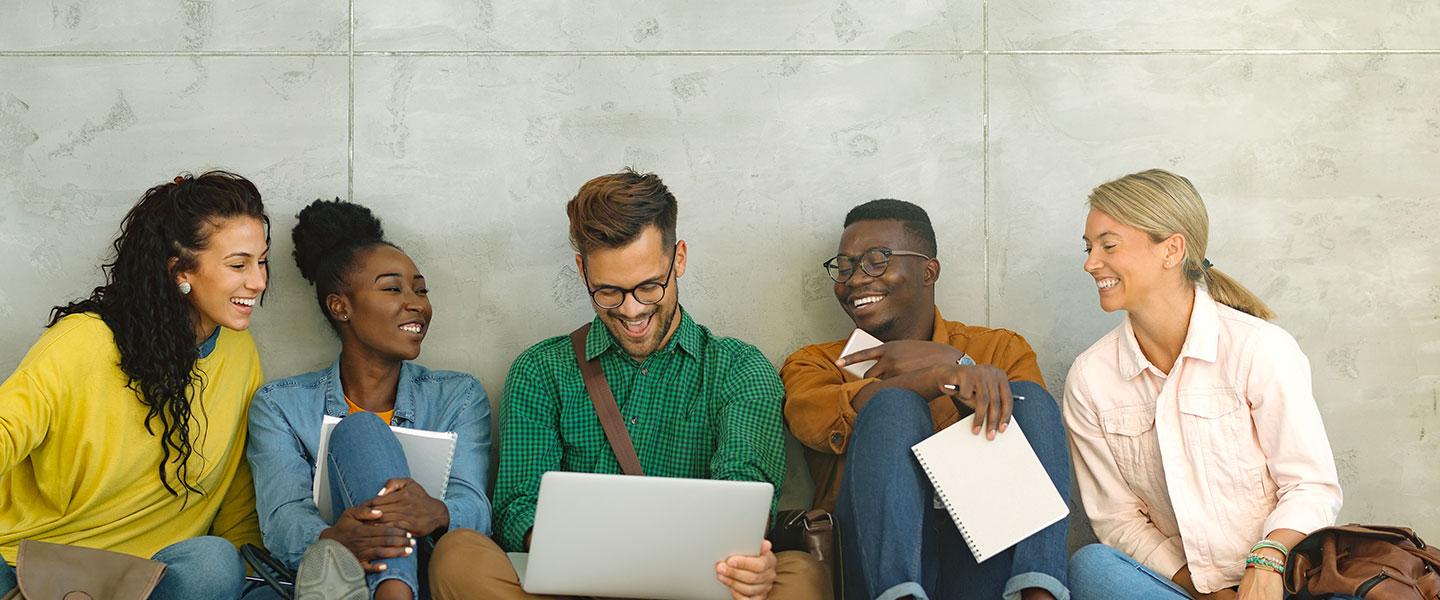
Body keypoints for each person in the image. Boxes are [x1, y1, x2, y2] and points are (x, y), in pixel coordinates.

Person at [428, 169, 827, 600]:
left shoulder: (739, 368)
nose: (632, 311)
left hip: (697, 586)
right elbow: (518, 506)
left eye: (649, 287)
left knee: (799, 575)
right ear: (582, 271)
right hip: (575, 586)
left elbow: (744, 494)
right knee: (457, 556)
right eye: (609, 292)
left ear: (680, 260)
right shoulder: (540, 370)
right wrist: (592, 559)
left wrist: (748, 566)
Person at [1064, 169, 1350, 600]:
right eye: (1089, 248)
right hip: (1183, 591)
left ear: (1172, 249)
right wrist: (1209, 593)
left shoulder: (1259, 348)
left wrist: (1266, 560)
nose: (1091, 263)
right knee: (1092, 568)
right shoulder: (1090, 379)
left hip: (1285, 580)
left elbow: (1311, 485)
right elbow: (1117, 520)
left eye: (1109, 245)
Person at [782, 199, 1071, 600]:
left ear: (928, 271)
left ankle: (1040, 593)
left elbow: (1032, 449)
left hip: (982, 560)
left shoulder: (998, 347)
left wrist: (960, 363)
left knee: (1029, 399)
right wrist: (937, 377)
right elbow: (812, 423)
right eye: (844, 266)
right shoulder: (816, 362)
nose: (855, 279)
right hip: (873, 562)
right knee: (893, 406)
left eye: (876, 260)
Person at [0, 171, 270, 599]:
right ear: (180, 270)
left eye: (261, 261)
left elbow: (237, 487)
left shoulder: (240, 353)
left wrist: (250, 570)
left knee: (216, 563)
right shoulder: (82, 341)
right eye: (239, 264)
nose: (258, 281)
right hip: (31, 569)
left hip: (151, 580)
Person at [246, 199, 492, 599]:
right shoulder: (281, 406)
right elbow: (283, 519)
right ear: (340, 306)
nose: (417, 303)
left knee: (362, 430)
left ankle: (392, 590)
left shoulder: (458, 396)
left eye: (421, 289)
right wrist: (335, 537)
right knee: (361, 431)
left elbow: (474, 505)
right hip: (329, 579)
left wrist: (436, 512)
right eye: (392, 289)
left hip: (428, 576)